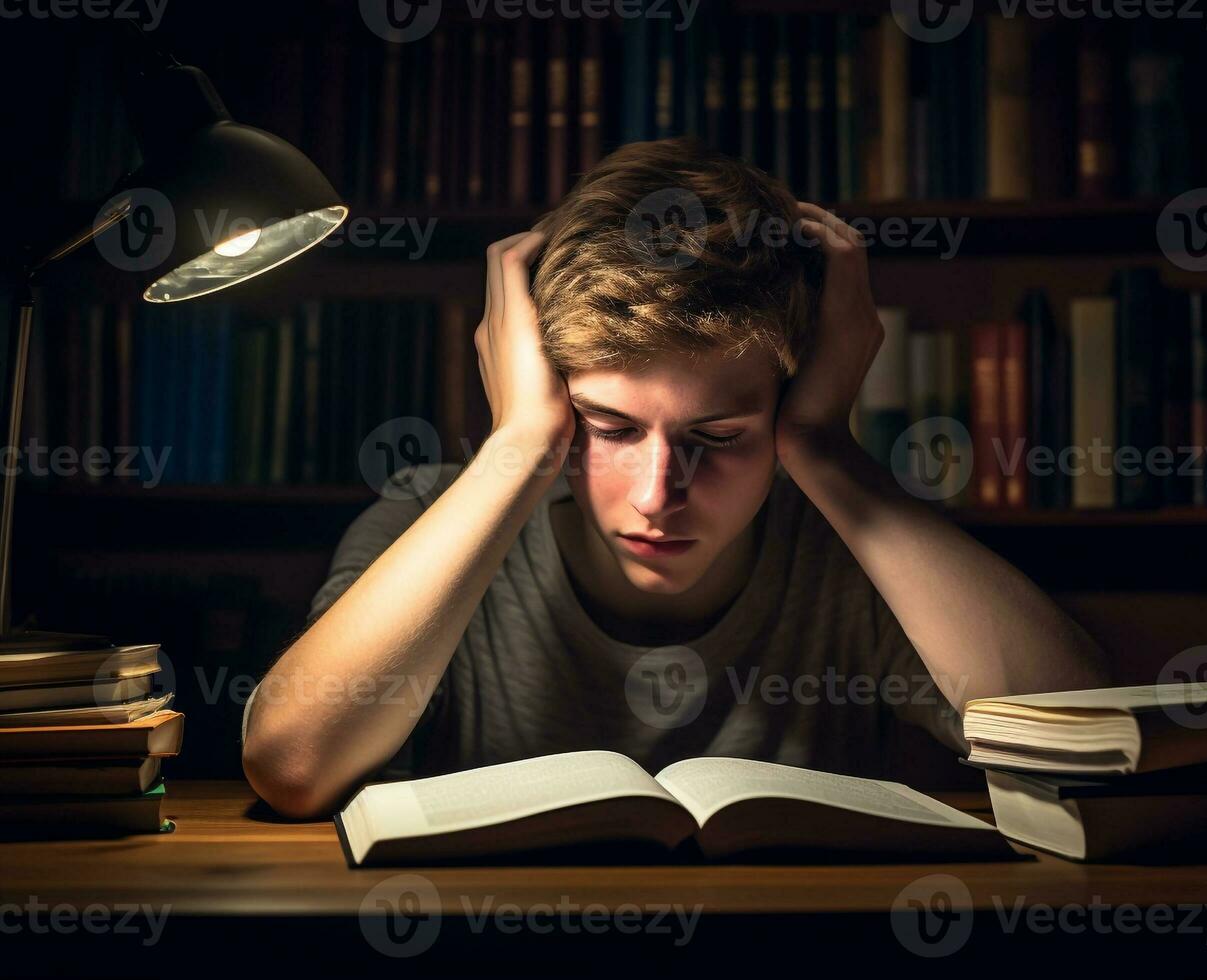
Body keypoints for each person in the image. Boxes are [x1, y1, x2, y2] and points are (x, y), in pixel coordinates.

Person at [241, 137, 1112, 819]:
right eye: (609, 428)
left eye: (720, 435)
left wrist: (822, 444)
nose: (659, 493)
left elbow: (1094, 740)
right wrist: (521, 444)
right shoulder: (433, 516)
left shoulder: (854, 543)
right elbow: (292, 765)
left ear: (793, 399)